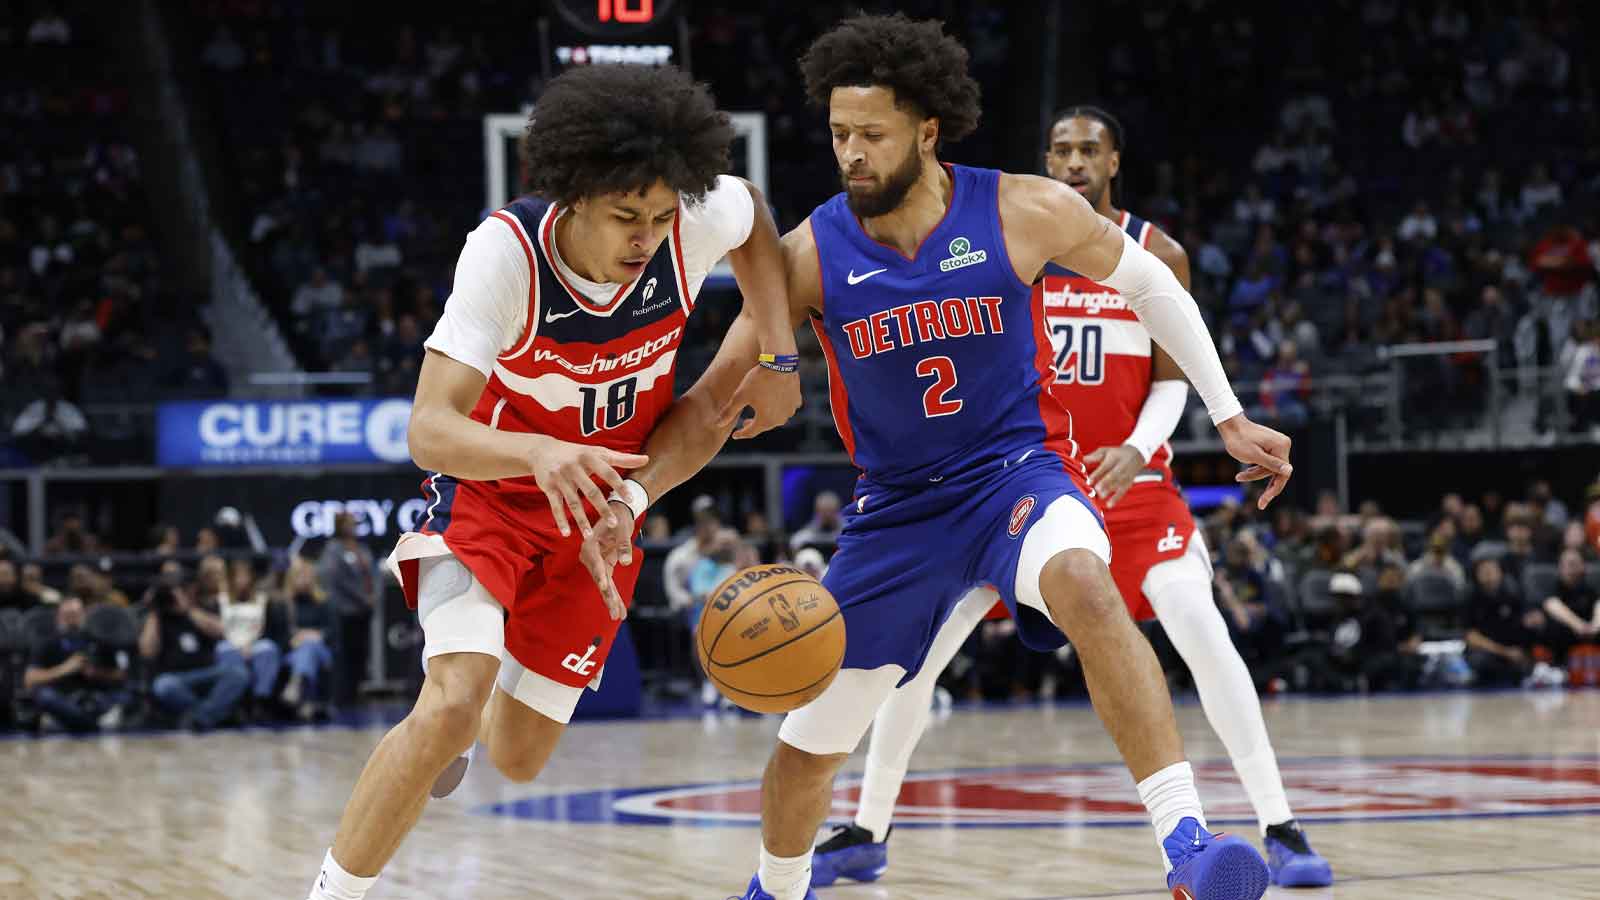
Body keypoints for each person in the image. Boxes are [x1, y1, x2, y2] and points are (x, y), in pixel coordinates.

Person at [582, 17, 1292, 900]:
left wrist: (1227, 417)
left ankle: (1184, 841)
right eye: (839, 134)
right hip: (896, 513)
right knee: (810, 744)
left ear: (927, 130)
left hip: (1015, 475)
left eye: (872, 135)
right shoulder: (808, 255)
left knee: (1085, 581)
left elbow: (1152, 283)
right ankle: (776, 885)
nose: (852, 154)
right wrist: (633, 498)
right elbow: (710, 408)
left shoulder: (1020, 208)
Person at [305, 63, 800, 900]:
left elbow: (751, 214)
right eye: (625, 218)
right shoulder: (505, 256)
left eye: (657, 215)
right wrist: (535, 451)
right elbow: (426, 429)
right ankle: (331, 890)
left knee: (521, 757)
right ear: (571, 198)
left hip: (600, 514)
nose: (646, 238)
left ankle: (465, 723)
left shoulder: (689, 219)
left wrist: (780, 353)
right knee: (453, 703)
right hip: (491, 499)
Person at [807, 104, 1330, 891]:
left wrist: (1143, 447)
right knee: (916, 659)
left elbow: (1170, 381)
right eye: (1060, 149)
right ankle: (867, 827)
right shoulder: (1022, 235)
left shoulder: (1154, 253)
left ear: (1115, 160)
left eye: (1089, 150)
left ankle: (1278, 824)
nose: (1074, 162)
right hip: (1008, 479)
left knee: (1199, 627)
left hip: (1131, 482)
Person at [23, 596, 130, 732]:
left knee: (124, 695)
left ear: (84, 614)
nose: (72, 620)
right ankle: (91, 725)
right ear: (58, 617)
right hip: (62, 697)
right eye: (67, 615)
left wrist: (96, 673)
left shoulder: (99, 639)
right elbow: (30, 680)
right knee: (45, 696)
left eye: (75, 614)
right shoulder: (47, 642)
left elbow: (122, 675)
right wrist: (65, 669)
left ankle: (76, 722)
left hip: (96, 696)